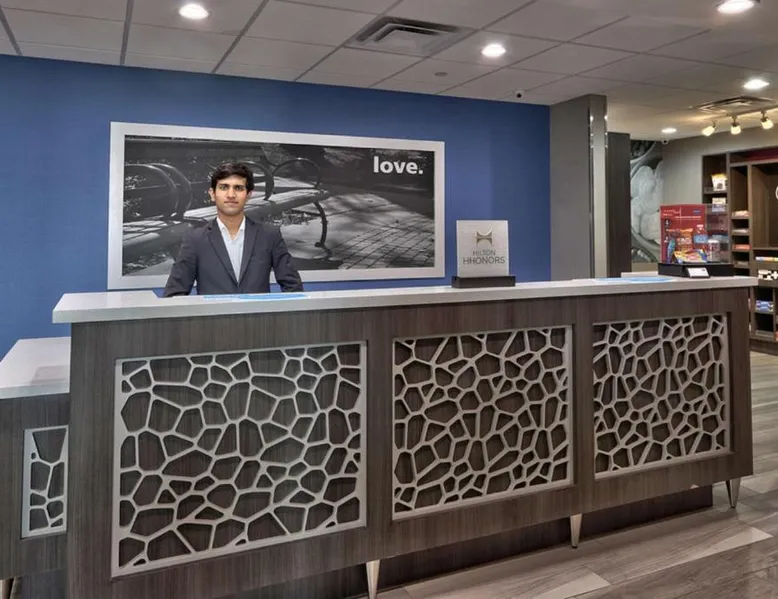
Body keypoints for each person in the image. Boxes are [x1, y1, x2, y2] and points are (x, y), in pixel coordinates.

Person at [163, 162, 303, 297]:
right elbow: (174, 294)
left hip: (257, 314)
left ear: (248, 195)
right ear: (212, 194)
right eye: (224, 187)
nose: (231, 195)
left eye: (238, 188)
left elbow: (293, 287)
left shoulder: (269, 235)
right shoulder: (195, 239)